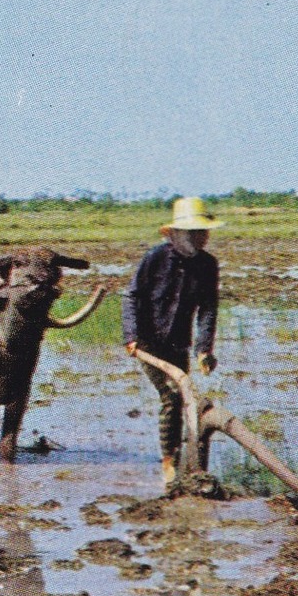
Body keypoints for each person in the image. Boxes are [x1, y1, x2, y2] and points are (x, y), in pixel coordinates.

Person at [122, 196, 222, 489]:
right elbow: (131, 296)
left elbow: (208, 308)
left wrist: (205, 349)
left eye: (204, 232)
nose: (203, 238)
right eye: (195, 233)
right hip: (148, 343)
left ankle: (184, 458)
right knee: (171, 395)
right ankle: (168, 461)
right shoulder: (155, 258)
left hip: (179, 345)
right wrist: (131, 336)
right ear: (177, 235)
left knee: (183, 397)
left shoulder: (207, 265)